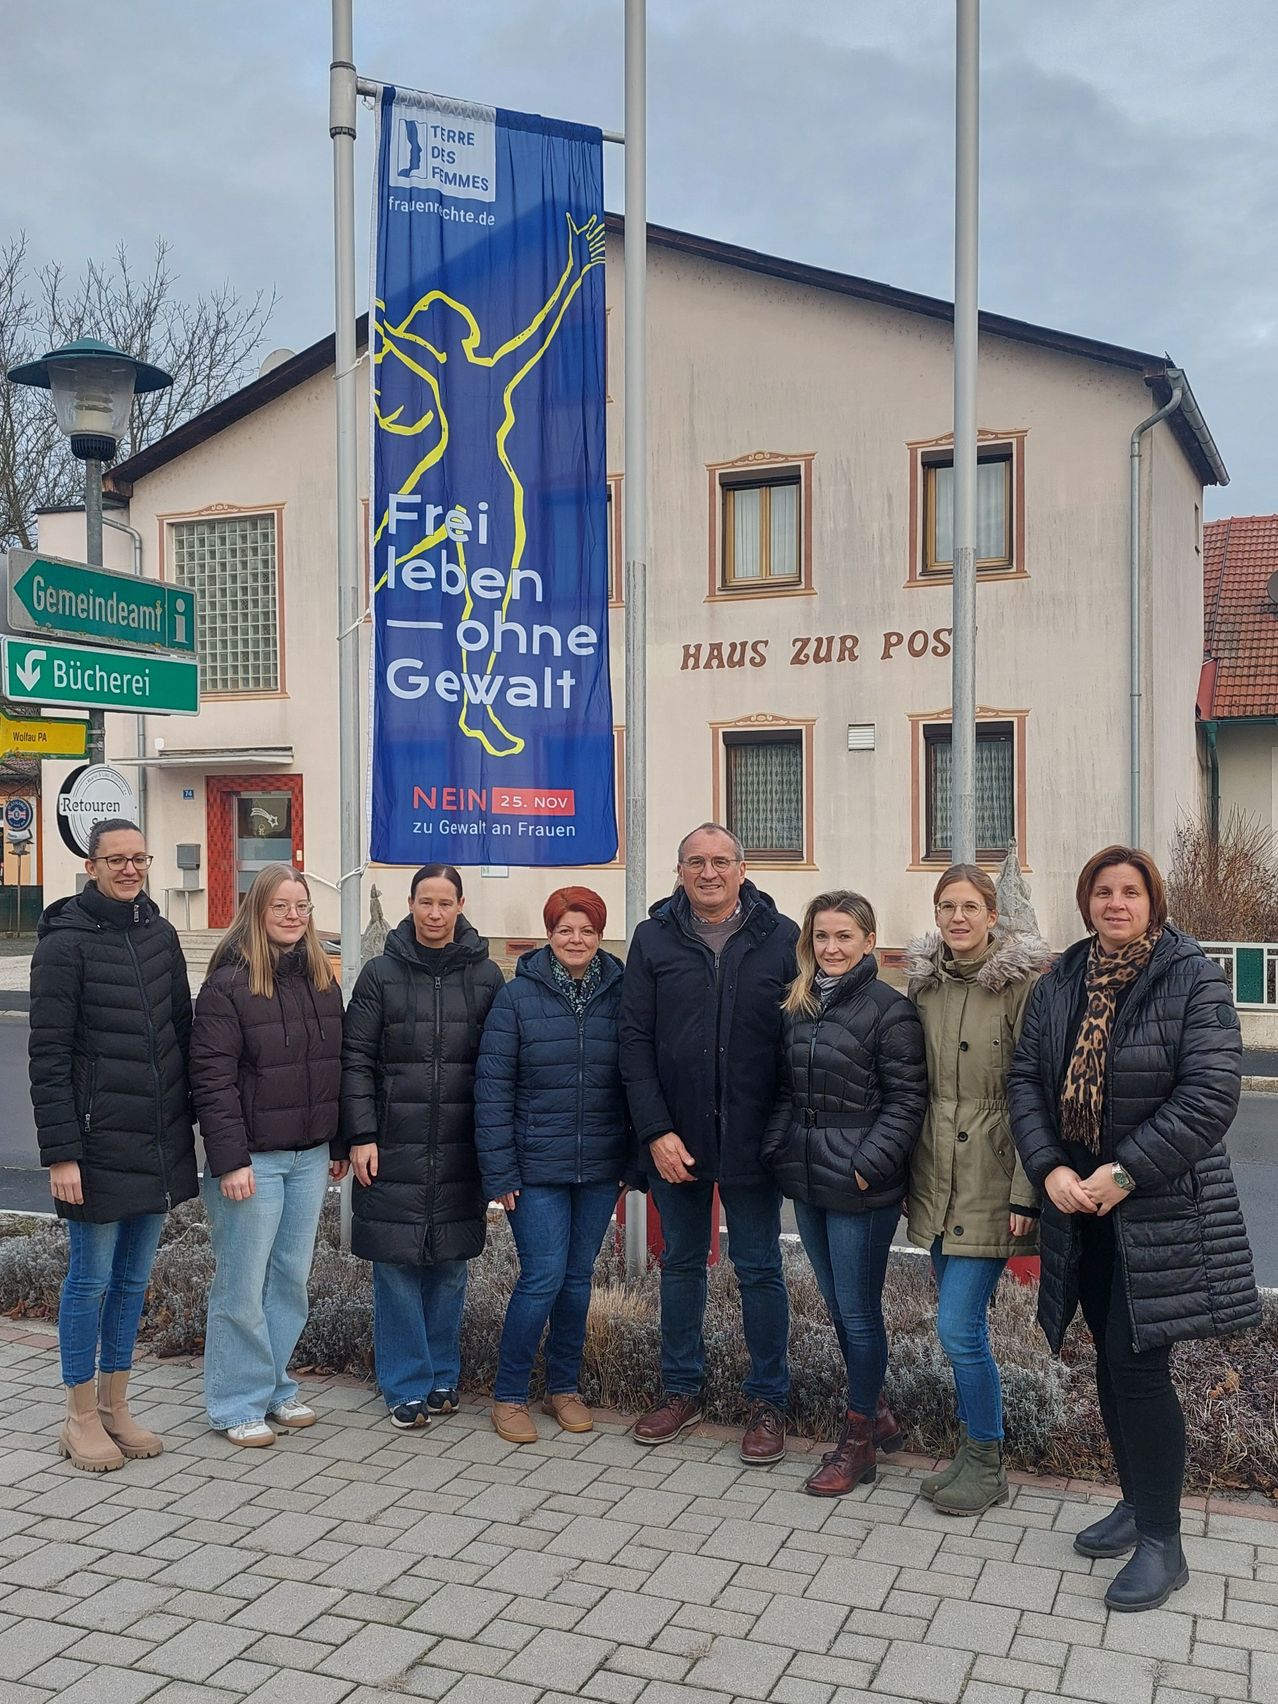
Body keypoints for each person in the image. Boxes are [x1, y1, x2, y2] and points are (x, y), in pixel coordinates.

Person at [1008, 846, 1260, 1612]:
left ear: (1154, 900)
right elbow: (1025, 1077)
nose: (1116, 904)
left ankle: (1164, 1543)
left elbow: (1211, 1093)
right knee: (1109, 1364)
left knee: (1138, 1366)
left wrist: (1124, 1174)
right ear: (1087, 901)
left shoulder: (1191, 977)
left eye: (1131, 892)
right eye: (1103, 892)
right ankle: (1133, 1503)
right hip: (1078, 1207)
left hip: (1157, 1207)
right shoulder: (1063, 977)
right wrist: (1050, 1167)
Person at [619, 822, 799, 1461]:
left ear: (742, 870)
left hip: (755, 1143)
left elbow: (794, 1045)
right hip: (678, 1140)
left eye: (721, 861)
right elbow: (633, 1041)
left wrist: (779, 1132)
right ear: (679, 871)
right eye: (695, 862)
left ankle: (768, 1401)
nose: (709, 873)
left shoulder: (781, 938)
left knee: (759, 1269)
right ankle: (681, 1390)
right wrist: (656, 1132)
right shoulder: (652, 938)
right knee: (683, 1266)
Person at [29, 817, 197, 1472]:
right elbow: (48, 1057)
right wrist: (62, 1152)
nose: (130, 868)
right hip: (96, 1146)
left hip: (155, 1142)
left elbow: (181, 1036)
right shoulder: (63, 945)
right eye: (116, 859)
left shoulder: (160, 934)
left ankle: (115, 1406)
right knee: (90, 1281)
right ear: (91, 865)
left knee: (131, 1282)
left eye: (139, 858)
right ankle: (78, 1416)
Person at [763, 891, 927, 1495]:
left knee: (858, 1314)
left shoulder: (890, 1011)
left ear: (868, 941)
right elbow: (787, 1090)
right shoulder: (798, 1004)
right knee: (836, 1307)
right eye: (822, 938)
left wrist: (867, 1166)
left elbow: (908, 1102)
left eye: (844, 938)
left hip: (860, 1187)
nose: (832, 949)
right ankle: (877, 1410)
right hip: (807, 1180)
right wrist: (780, 1145)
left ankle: (856, 1443)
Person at [904, 863, 1052, 1513]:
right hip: (937, 1177)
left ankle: (988, 1460)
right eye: (946, 907)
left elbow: (1035, 1092)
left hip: (994, 1176)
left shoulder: (1021, 988)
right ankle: (969, 1451)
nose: (958, 918)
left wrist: (1028, 1189)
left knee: (958, 1327)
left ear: (993, 916)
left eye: (970, 907)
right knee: (960, 1327)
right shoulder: (924, 986)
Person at [341, 863, 504, 1429]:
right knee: (397, 1267)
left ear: (461, 905)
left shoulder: (486, 976)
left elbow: (499, 1066)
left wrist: (496, 1147)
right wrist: (360, 1133)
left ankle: (441, 1376)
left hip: (461, 1147)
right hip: (393, 1144)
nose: (435, 914)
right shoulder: (379, 974)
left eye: (445, 903)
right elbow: (355, 1059)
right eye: (425, 902)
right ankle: (405, 1383)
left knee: (451, 1265)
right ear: (410, 904)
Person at [190, 866, 346, 1448]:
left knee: (289, 1283)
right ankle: (235, 1403)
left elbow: (337, 1069)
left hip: (307, 1158)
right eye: (281, 905)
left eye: (301, 906)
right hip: (252, 1162)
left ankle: (275, 1387)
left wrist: (339, 1142)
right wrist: (230, 1160)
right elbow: (211, 1080)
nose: (292, 915)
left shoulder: (322, 982)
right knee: (242, 1286)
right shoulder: (228, 984)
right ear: (258, 911)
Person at [476, 886, 628, 1443]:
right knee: (541, 1277)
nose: (576, 939)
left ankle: (564, 1387)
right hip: (535, 1167)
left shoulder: (622, 991)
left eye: (587, 929)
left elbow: (635, 1077)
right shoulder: (518, 998)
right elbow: (493, 1089)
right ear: (549, 933)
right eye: (566, 929)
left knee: (577, 1279)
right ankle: (510, 1395)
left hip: (598, 1166)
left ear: (600, 934)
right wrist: (500, 1172)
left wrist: (631, 1161)